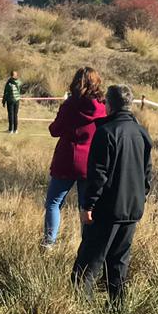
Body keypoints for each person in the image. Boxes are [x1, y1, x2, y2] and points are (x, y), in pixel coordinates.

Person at [73, 85, 152, 304]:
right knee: (118, 264)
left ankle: (82, 310)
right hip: (132, 209)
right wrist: (141, 196)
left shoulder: (106, 132)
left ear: (110, 104)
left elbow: (98, 175)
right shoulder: (141, 132)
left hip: (107, 210)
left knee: (86, 266)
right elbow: (147, 174)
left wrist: (88, 206)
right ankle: (117, 307)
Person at [41, 66, 107, 251]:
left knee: (54, 203)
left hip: (67, 159)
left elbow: (55, 131)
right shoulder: (103, 107)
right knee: (86, 207)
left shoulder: (70, 105)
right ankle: (86, 246)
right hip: (90, 162)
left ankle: (49, 242)